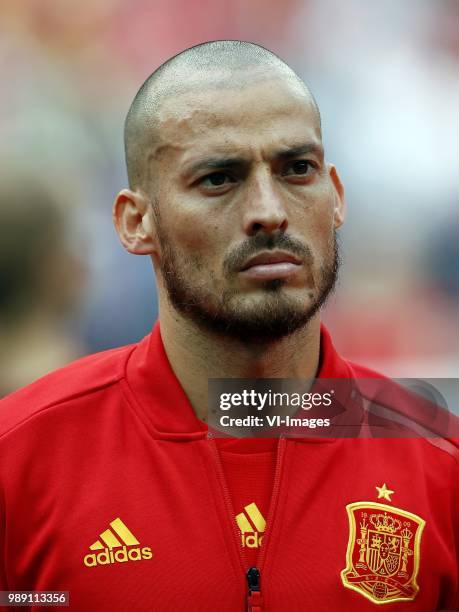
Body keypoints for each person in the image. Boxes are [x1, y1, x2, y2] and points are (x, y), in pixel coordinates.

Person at [0, 41, 457, 612]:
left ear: (336, 197)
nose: (269, 210)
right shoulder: (19, 460)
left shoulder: (439, 462)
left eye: (297, 169)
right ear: (136, 222)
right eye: (219, 178)